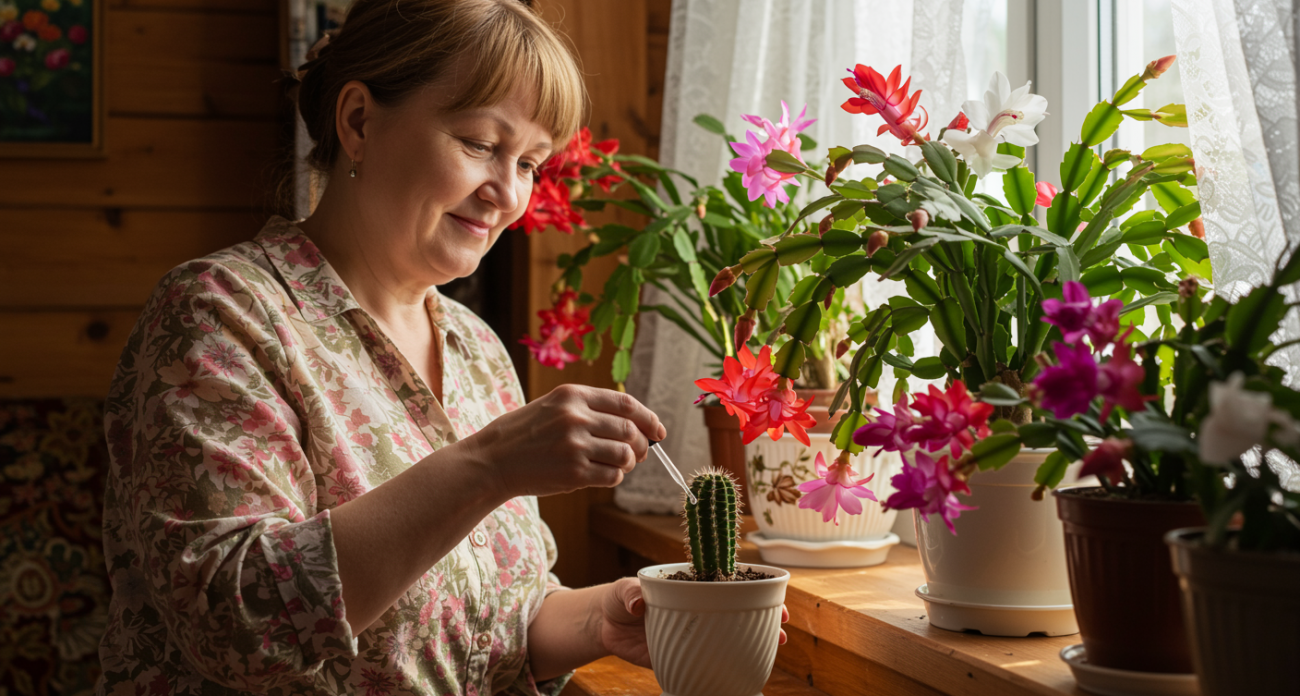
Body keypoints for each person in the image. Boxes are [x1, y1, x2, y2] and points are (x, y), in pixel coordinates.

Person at [96, 1, 792, 694]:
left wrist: (599, 622)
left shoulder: (476, 349)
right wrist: (487, 466)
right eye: (482, 145)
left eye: (530, 163)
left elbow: (496, 622)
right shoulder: (221, 314)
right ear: (359, 122)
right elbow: (236, 628)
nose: (507, 193)